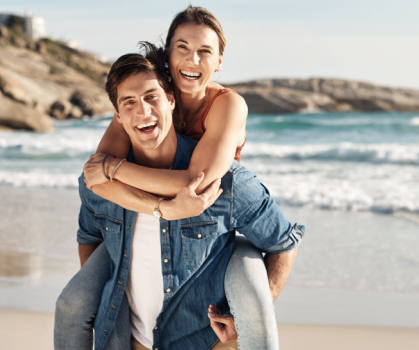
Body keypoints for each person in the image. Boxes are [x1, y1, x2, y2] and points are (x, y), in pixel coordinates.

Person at [55, 51, 304, 349]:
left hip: (204, 341)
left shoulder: (224, 183)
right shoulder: (99, 182)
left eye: (152, 97)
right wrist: (107, 303)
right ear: (118, 116)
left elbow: (284, 244)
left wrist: (248, 316)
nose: (143, 111)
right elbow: (90, 237)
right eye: (129, 103)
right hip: (127, 340)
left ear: (171, 100)